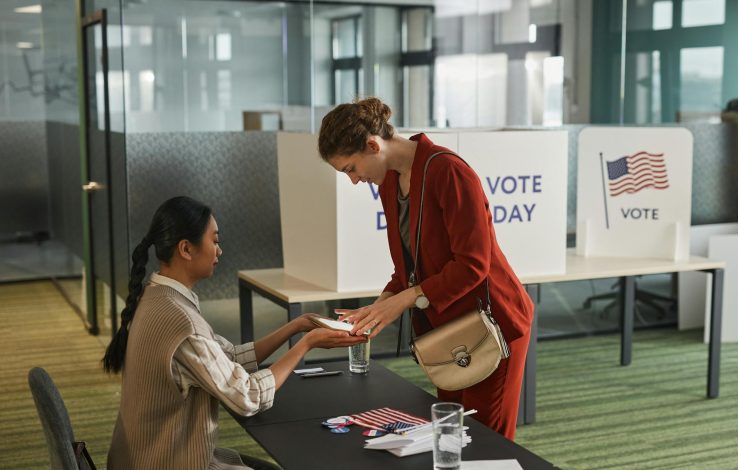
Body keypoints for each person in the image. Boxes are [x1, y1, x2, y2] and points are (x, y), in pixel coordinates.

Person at [318, 98, 534, 440]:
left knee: (485, 443)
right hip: (450, 328)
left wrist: (402, 300)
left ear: (373, 145)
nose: (355, 181)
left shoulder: (448, 171)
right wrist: (379, 307)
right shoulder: (391, 182)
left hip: (494, 324)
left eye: (350, 169)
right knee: (451, 436)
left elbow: (472, 265)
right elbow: (409, 269)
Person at [102, 196, 365, 469]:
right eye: (214, 241)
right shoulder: (181, 323)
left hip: (146, 456)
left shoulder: (157, 297)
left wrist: (297, 326)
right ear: (186, 249)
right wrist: (306, 344)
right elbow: (247, 397)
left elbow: (227, 356)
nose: (220, 251)